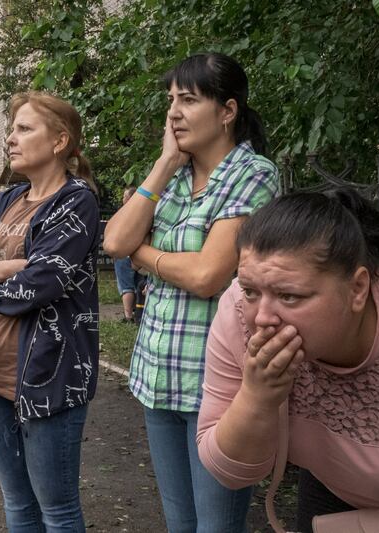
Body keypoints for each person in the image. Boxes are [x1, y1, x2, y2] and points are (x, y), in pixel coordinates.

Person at [196, 189, 379, 533]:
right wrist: (256, 398)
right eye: (251, 292)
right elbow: (229, 471)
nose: (262, 318)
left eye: (289, 296)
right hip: (332, 491)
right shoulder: (238, 313)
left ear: (358, 289)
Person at [103, 53, 279, 532]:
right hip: (158, 374)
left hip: (216, 384)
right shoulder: (173, 177)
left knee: (215, 528)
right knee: (179, 524)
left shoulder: (253, 174)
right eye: (170, 101)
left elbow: (208, 276)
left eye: (188, 100)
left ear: (227, 110)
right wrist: (163, 163)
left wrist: (146, 256)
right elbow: (115, 241)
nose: (173, 113)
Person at [0, 91, 100, 532]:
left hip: (50, 375)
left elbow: (40, 285)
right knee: (18, 502)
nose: (10, 140)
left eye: (24, 129)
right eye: (10, 131)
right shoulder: (8, 200)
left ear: (59, 141)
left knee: (57, 510)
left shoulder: (76, 201)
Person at [112, 186, 143, 323]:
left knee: (126, 285)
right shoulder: (143, 212)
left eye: (125, 196)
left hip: (124, 252)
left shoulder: (126, 213)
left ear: (130, 198)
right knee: (137, 284)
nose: (123, 199)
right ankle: (138, 312)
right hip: (139, 253)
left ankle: (128, 316)